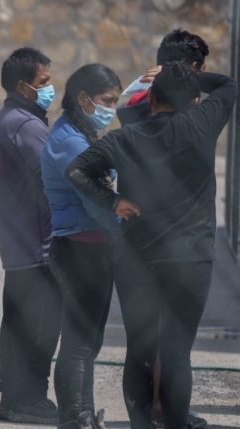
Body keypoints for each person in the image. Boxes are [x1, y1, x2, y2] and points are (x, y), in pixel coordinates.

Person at [67, 63, 237, 429]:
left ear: (152, 100)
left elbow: (77, 171)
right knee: (177, 353)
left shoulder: (126, 138)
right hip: (191, 261)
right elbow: (227, 85)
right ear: (193, 100)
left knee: (140, 351)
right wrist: (193, 77)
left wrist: (112, 202)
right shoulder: (203, 124)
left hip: (137, 260)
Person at [115, 28, 211, 429]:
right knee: (173, 349)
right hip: (185, 250)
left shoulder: (136, 104)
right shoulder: (195, 113)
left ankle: (151, 414)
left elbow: (122, 106)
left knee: (142, 344)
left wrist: (144, 80)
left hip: (137, 244)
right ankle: (168, 415)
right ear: (193, 69)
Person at [41, 64, 122, 429]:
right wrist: (126, 224)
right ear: (84, 99)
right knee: (78, 341)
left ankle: (83, 413)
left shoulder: (82, 133)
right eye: (108, 100)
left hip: (92, 246)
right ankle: (74, 417)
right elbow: (93, 200)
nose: (112, 108)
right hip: (79, 247)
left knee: (89, 340)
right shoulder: (69, 141)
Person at [0, 47, 62, 425]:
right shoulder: (24, 125)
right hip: (35, 247)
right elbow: (59, 174)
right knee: (36, 326)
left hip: (28, 245)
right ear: (24, 86)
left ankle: (23, 397)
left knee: (29, 324)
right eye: (44, 83)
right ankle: (23, 399)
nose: (50, 89)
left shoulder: (21, 119)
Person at [117, 28, 209, 126]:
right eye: (201, 70)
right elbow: (225, 84)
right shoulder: (201, 111)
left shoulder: (137, 102)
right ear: (195, 67)